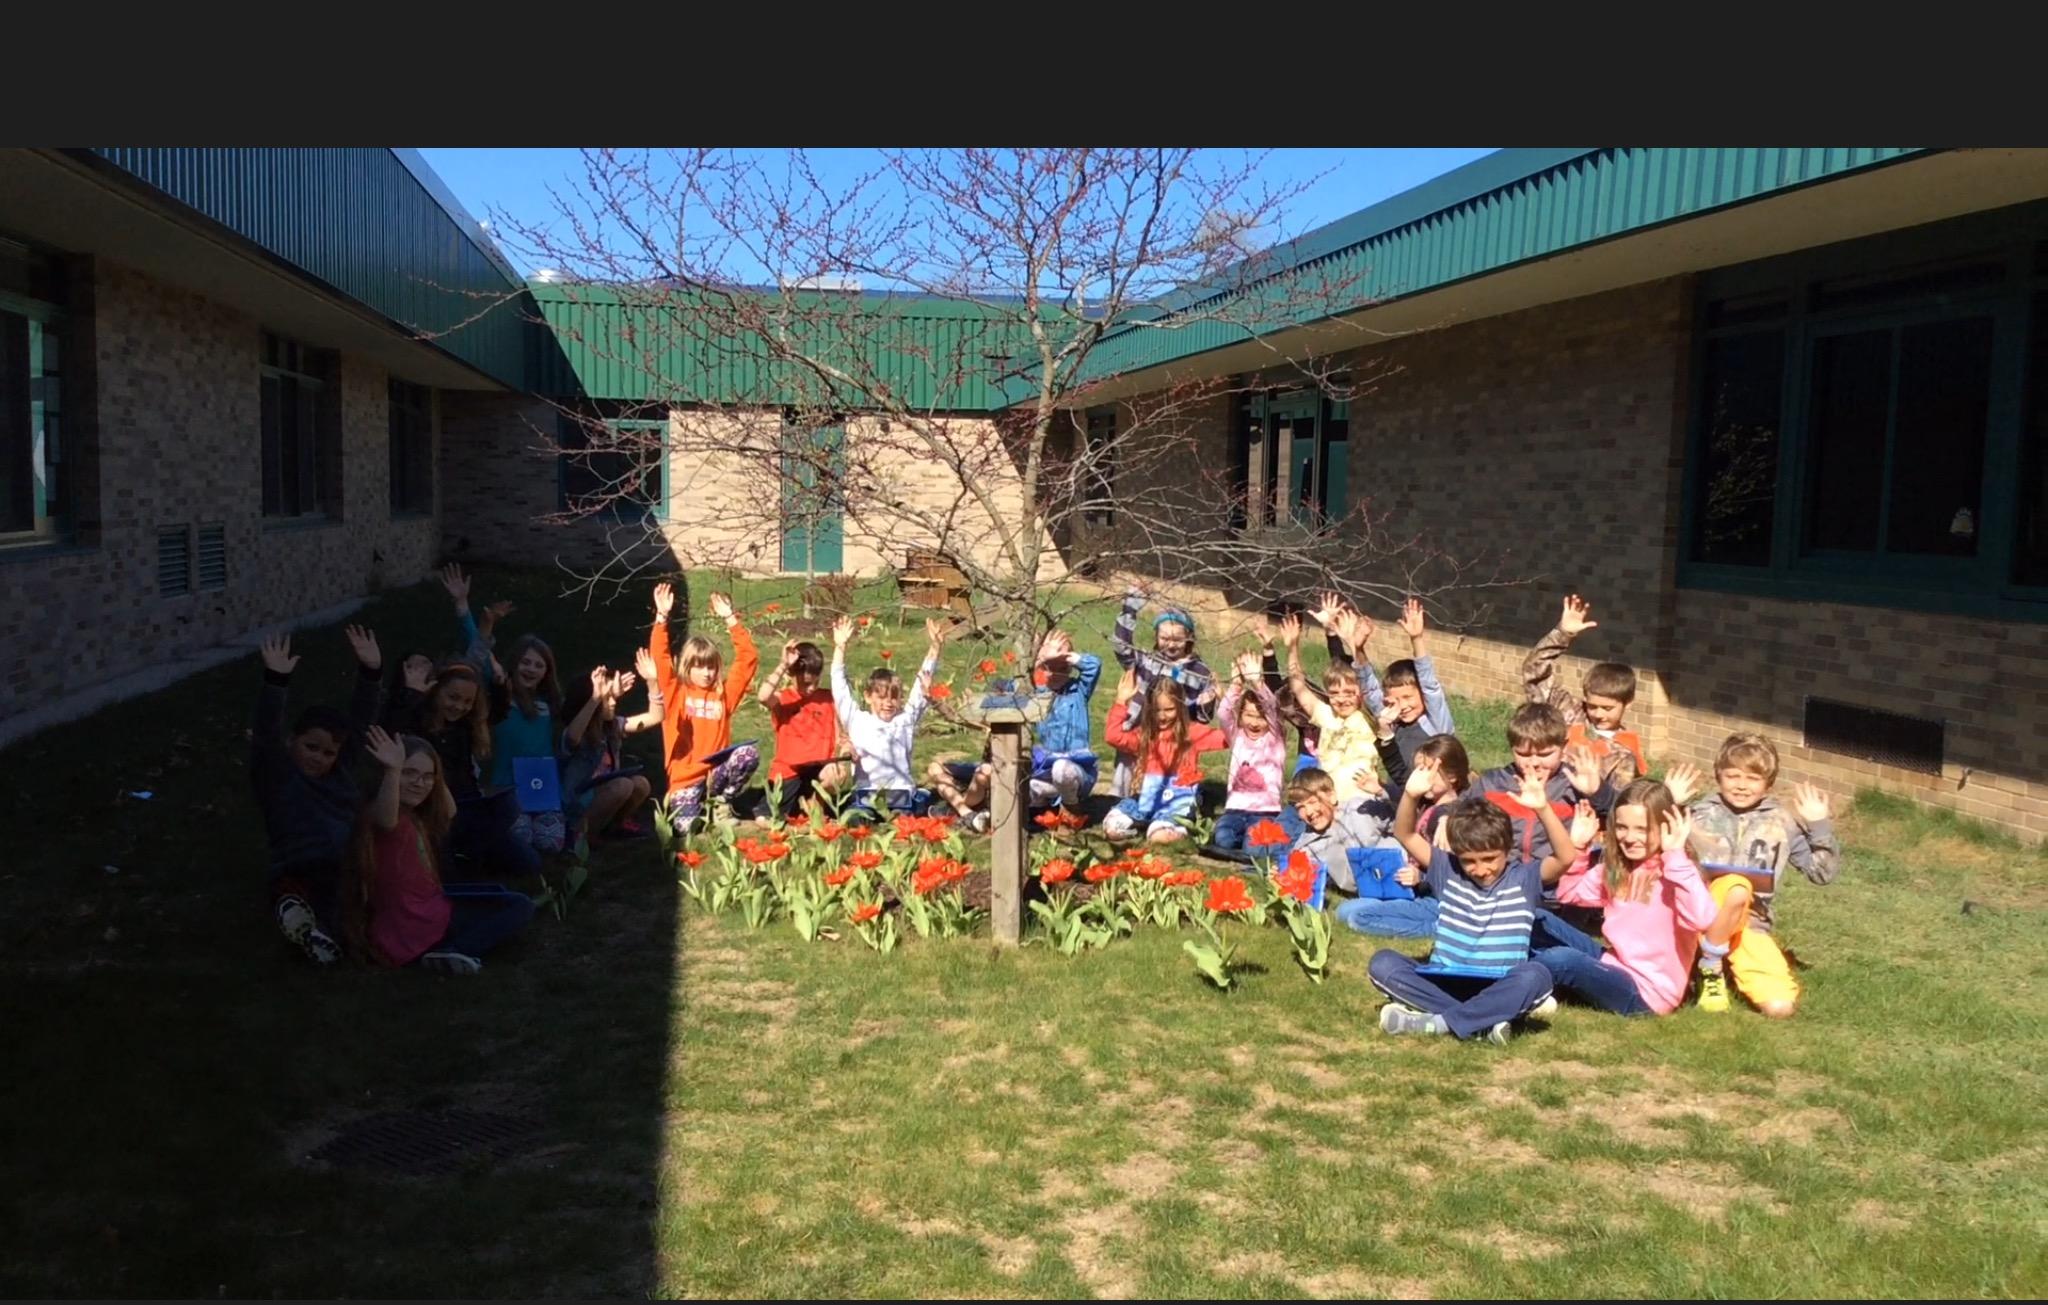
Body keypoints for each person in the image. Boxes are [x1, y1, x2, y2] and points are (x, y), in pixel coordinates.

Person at [1367, 764, 1581, 1045]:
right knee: (1382, 963)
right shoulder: (1447, 869)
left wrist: (1542, 809)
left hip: (1501, 983)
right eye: (1469, 860)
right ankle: (1484, 1021)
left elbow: (1565, 858)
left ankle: (1439, 1022)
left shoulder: (1524, 878)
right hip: (1445, 981)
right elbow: (1405, 834)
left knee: (1537, 976)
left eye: (1490, 858)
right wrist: (1410, 795)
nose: (1480, 869)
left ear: (1507, 849)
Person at [340, 727, 534, 975]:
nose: (419, 783)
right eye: (409, 773)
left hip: (434, 907)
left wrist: (435, 770)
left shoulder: (417, 815)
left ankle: (447, 948)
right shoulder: (380, 813)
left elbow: (449, 811)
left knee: (509, 899)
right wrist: (393, 769)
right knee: (519, 907)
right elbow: (386, 820)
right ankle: (455, 950)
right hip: (409, 921)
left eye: (426, 776)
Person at [1676, 733, 1839, 1018]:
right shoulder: (1697, 814)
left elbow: (1822, 873)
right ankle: (1710, 967)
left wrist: (1818, 825)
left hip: (1751, 923)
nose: (1741, 785)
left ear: (1768, 784)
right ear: (1718, 776)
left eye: (1752, 778)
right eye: (1733, 776)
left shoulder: (1783, 823)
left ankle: (1717, 961)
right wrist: (1670, 805)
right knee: (1735, 886)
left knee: (1780, 1008)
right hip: (1695, 916)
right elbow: (1652, 853)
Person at [249, 626, 384, 966]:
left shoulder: (340, 772)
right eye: (311, 747)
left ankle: (314, 927)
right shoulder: (278, 776)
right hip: (302, 861)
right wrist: (275, 681)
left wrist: (371, 671)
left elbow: (361, 719)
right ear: (292, 740)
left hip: (347, 860)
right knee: (331, 896)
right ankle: (307, 920)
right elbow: (266, 734)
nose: (319, 758)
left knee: (361, 903)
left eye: (327, 753)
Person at [1535, 779, 1716, 1016]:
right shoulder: (1620, 867)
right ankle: (1502, 974)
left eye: (1642, 829)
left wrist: (1675, 856)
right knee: (1535, 919)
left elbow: (1703, 919)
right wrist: (1578, 847)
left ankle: (1522, 992)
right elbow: (1570, 894)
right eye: (1622, 827)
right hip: (1614, 963)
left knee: (1561, 959)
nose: (1629, 837)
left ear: (1666, 827)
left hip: (1646, 993)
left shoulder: (1678, 872)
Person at [649, 583, 760, 831]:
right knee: (686, 829)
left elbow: (748, 660)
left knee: (747, 754)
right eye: (700, 666)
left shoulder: (723, 694)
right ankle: (689, 803)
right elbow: (661, 658)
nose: (707, 673)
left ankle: (720, 803)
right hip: (685, 777)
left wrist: (731, 619)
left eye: (711, 666)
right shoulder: (676, 692)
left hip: (715, 775)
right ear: (687, 668)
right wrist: (661, 618)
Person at [1521, 593, 1645, 789]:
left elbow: (1619, 803)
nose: (1598, 714)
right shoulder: (1568, 713)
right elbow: (1534, 671)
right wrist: (1562, 633)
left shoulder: (1625, 753)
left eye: (1607, 708)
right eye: (1592, 706)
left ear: (1627, 703)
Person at [833, 614, 949, 821]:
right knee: (857, 820)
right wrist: (840, 647)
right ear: (868, 697)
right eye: (882, 697)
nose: (888, 703)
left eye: (894, 698)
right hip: (867, 793)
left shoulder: (904, 720)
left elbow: (921, 686)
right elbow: (839, 687)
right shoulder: (858, 720)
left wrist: (935, 648)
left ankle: (919, 806)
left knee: (905, 820)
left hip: (900, 793)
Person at [1101, 668, 1229, 845]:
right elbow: (1112, 736)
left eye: (1169, 710)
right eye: (1156, 710)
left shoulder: (1191, 733)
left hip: (1176, 802)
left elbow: (1228, 738)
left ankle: (1177, 827)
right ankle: (1144, 825)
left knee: (1159, 838)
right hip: (1146, 800)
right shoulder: (1145, 735)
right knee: (1111, 828)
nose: (1162, 716)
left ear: (1180, 707)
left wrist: (1227, 704)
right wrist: (1121, 701)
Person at [1209, 650, 1301, 854]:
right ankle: (1240, 841)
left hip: (1265, 812)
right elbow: (1224, 713)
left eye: (1260, 718)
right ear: (1240, 715)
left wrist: (1258, 683)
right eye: (1249, 715)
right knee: (1223, 839)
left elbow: (1271, 708)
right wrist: (1236, 686)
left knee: (1253, 847)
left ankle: (1250, 844)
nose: (1254, 722)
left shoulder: (1274, 737)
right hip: (1235, 809)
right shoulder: (1237, 735)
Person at [757, 639, 850, 822]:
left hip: (819, 767)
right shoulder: (783, 699)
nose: (811, 688)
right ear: (790, 675)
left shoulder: (827, 699)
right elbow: (763, 696)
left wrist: (843, 752)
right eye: (805, 683)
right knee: (766, 820)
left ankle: (815, 804)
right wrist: (783, 665)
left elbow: (841, 734)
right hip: (789, 769)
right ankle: (799, 808)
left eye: (815, 682)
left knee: (835, 773)